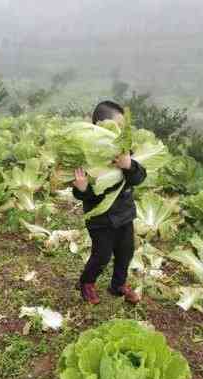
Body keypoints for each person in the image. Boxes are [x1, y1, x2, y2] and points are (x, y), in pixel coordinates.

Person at [73, 100, 147, 305]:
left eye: (123, 127)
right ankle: (86, 283)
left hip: (124, 214)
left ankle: (118, 285)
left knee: (126, 252)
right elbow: (81, 192)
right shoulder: (86, 156)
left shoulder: (124, 153)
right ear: (99, 127)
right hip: (100, 220)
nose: (120, 131)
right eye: (116, 127)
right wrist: (82, 189)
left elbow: (139, 178)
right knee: (102, 255)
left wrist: (128, 165)